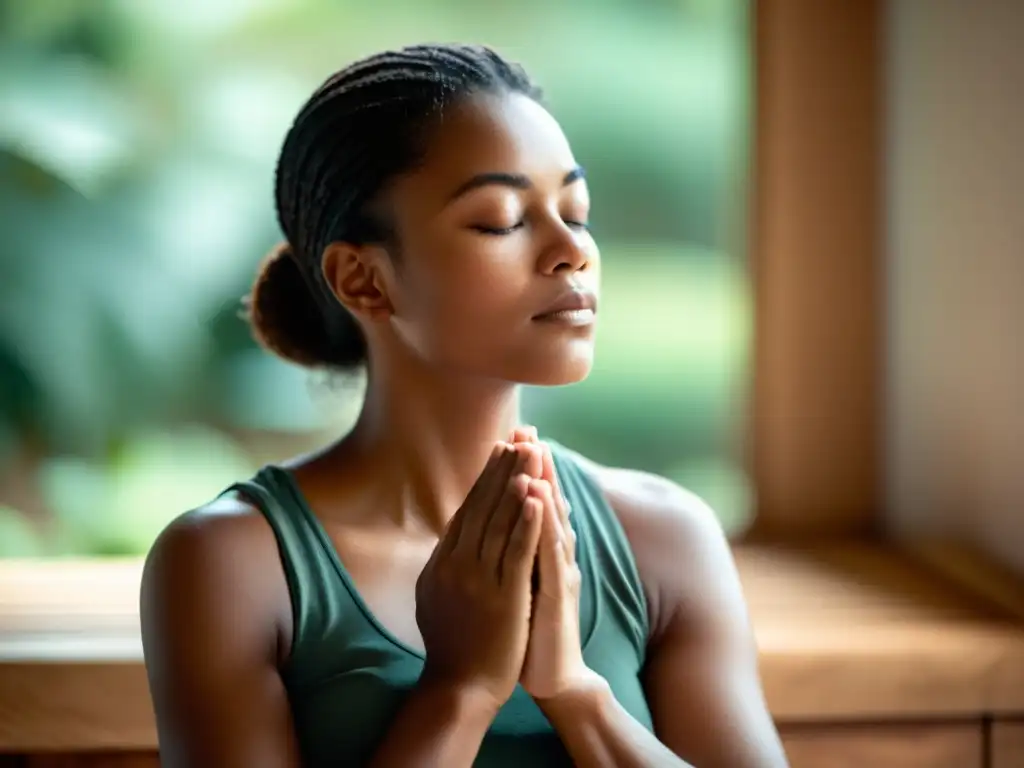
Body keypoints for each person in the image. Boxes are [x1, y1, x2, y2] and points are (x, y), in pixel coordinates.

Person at [140, 43, 788, 768]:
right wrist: (460, 689)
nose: (571, 250)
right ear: (363, 280)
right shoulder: (232, 565)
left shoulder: (664, 540)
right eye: (502, 220)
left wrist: (577, 693)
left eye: (576, 211)